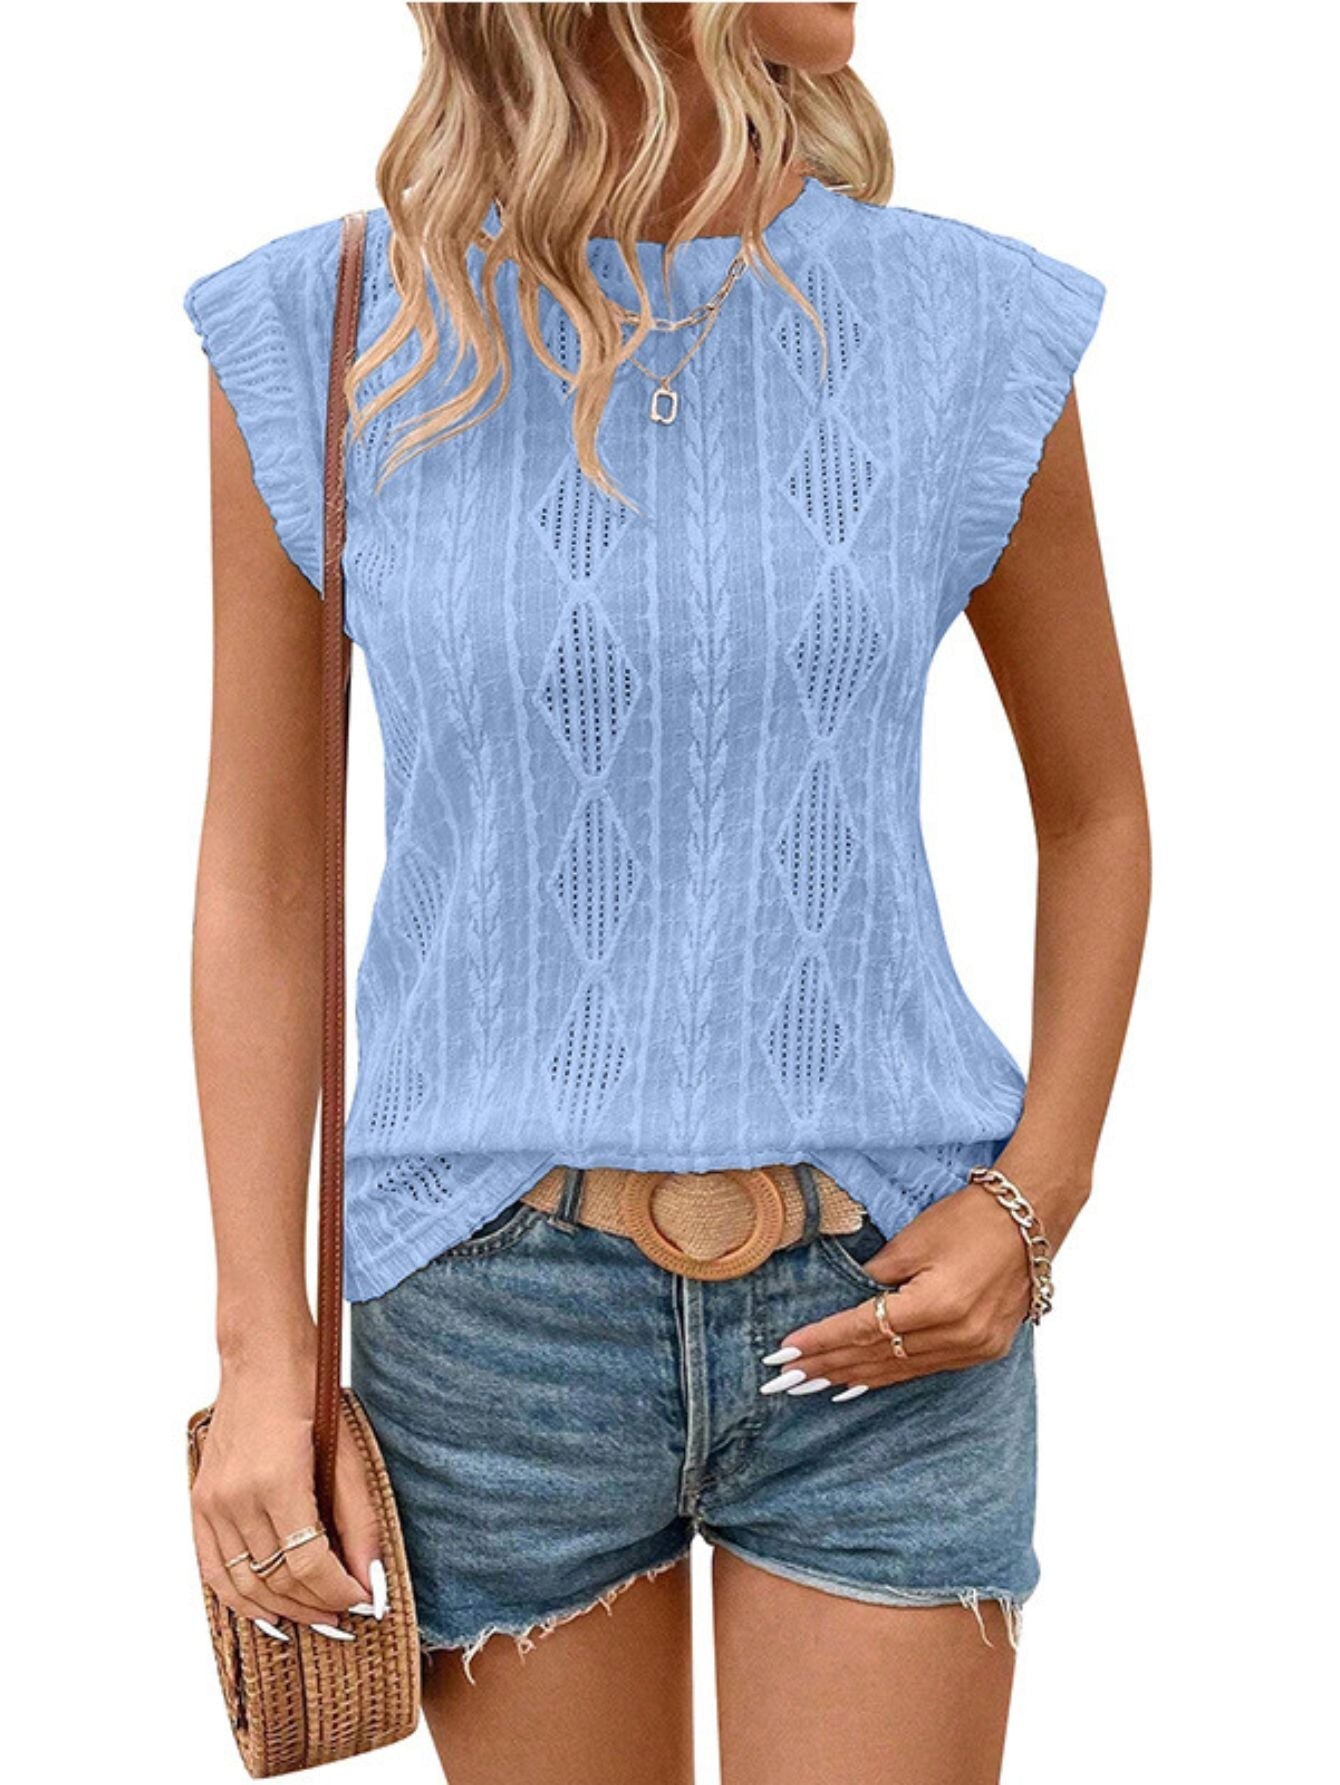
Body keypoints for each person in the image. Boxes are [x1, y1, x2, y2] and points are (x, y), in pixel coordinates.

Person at [183, 5, 1149, 1781]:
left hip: (887, 1295)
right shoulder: (328, 329)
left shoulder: (969, 322)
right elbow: (261, 870)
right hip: (487, 1314)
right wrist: (261, 1348)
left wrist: (1040, 1198)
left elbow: (1096, 812)